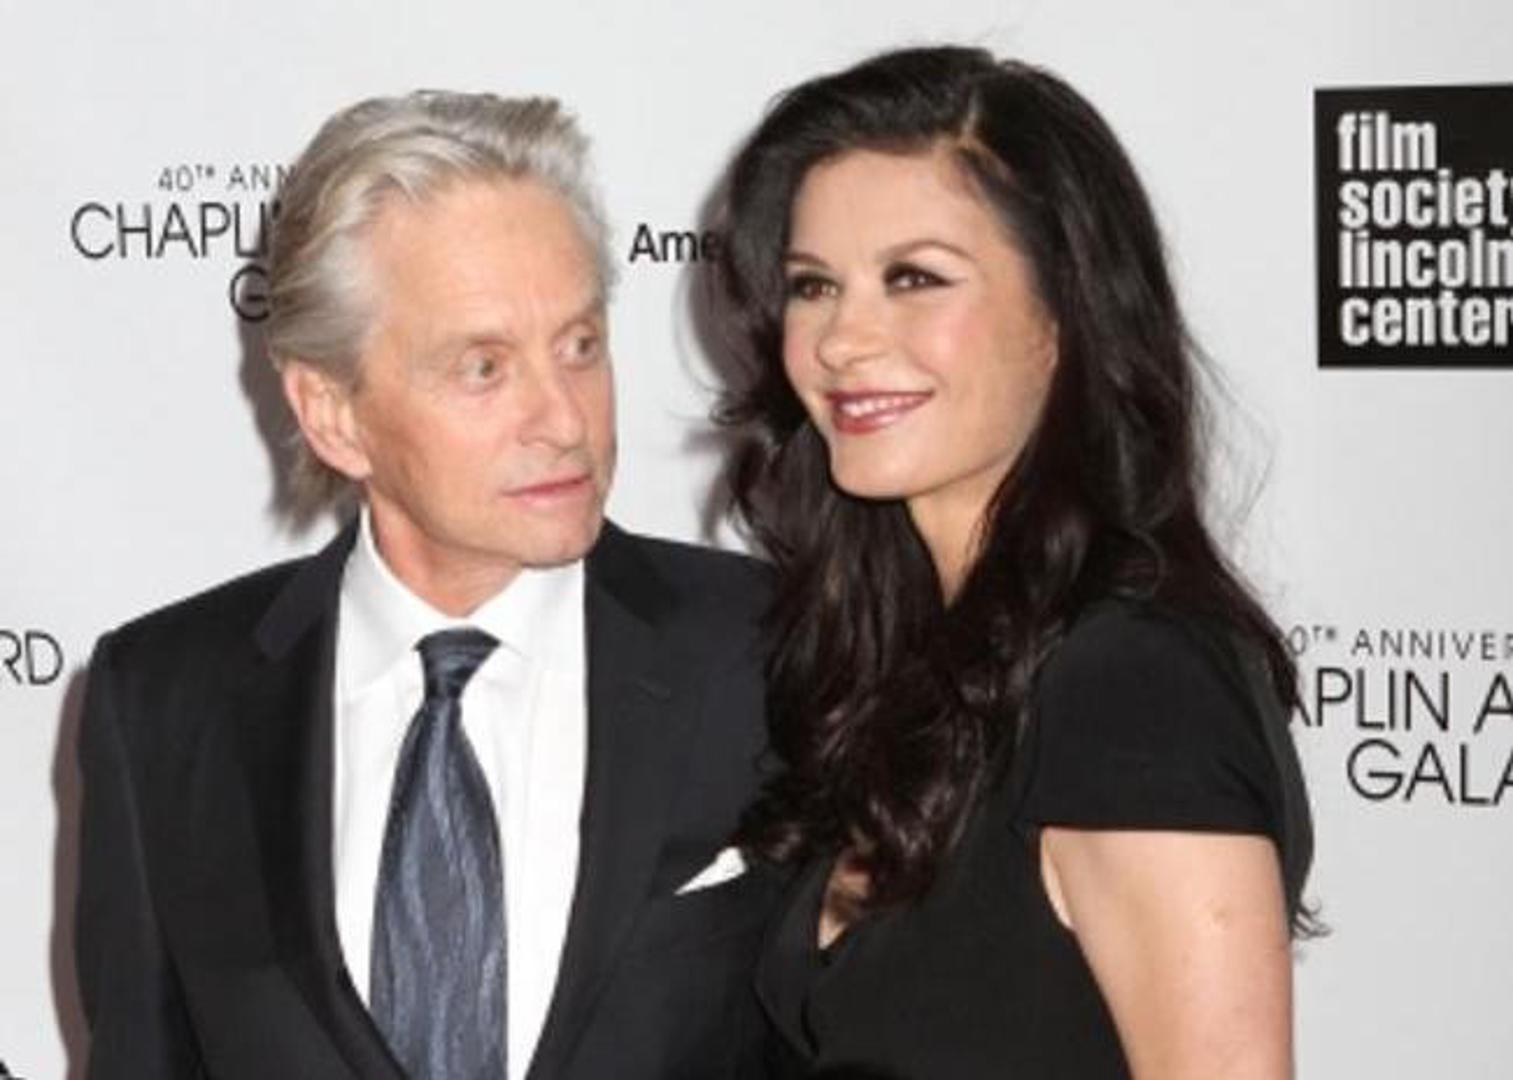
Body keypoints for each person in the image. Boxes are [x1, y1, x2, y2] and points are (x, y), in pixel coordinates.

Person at [75, 91, 783, 1080]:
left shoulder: (773, 650)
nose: (564, 420)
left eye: (579, 346)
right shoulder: (164, 699)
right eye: (484, 368)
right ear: (332, 413)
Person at [714, 46, 1316, 1079]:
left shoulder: (1132, 680)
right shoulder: (895, 664)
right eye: (813, 286)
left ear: (1062, 316)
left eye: (913, 279)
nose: (842, 340)